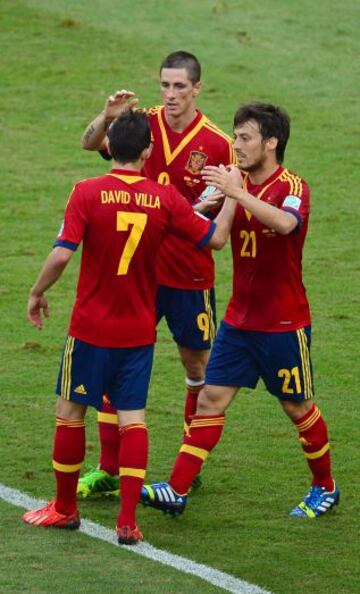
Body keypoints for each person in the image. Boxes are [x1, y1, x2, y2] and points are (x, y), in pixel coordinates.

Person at [22, 111, 236, 544]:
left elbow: (62, 255)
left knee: (70, 413)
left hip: (90, 329)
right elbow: (214, 239)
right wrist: (232, 195)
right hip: (139, 331)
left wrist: (37, 291)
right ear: (147, 152)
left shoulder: (86, 191)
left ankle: (65, 508)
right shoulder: (165, 198)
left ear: (111, 148)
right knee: (132, 419)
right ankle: (127, 522)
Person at [140, 102, 340, 520]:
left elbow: (285, 226)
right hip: (238, 320)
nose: (236, 145)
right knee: (211, 399)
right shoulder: (236, 182)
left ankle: (325, 486)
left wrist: (237, 193)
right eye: (235, 136)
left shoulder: (293, 187)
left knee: (297, 407)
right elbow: (205, 228)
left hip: (283, 323)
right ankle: (176, 489)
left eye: (245, 137)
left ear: (271, 142)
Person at [77, 50, 237, 497]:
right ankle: (109, 467)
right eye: (165, 85)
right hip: (139, 276)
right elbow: (91, 143)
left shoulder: (219, 144)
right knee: (115, 366)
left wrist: (207, 206)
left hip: (189, 275)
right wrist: (107, 115)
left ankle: (190, 461)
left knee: (197, 365)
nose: (170, 95)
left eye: (179, 87)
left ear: (197, 88)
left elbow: (227, 202)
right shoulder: (140, 124)